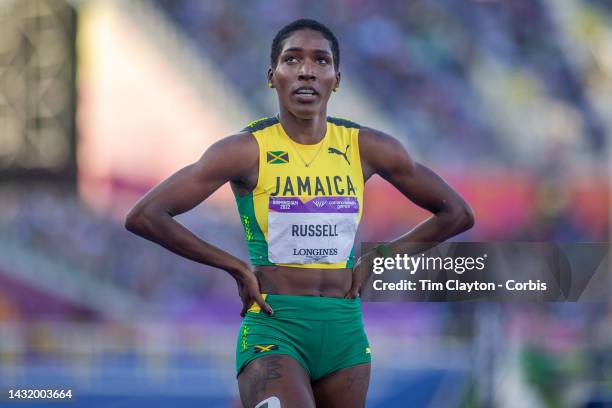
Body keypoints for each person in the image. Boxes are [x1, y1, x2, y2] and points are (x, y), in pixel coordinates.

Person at [125, 18, 474, 408]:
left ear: (336, 79)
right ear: (272, 76)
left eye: (320, 61)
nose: (307, 70)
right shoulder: (244, 150)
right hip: (275, 327)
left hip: (345, 334)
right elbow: (146, 214)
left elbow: (456, 213)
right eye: (293, 59)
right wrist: (234, 266)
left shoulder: (367, 148)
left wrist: (381, 256)